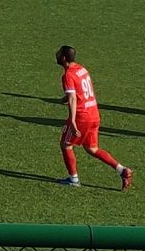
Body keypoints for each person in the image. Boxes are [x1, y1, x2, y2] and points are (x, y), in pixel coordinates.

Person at [56, 45, 132, 189]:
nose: (57, 55)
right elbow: (79, 91)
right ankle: (122, 170)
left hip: (81, 117)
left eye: (59, 54)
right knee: (92, 149)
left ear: (64, 58)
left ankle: (73, 179)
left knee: (66, 144)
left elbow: (73, 97)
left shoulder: (67, 75)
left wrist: (72, 120)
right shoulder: (81, 69)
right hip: (94, 114)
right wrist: (65, 97)